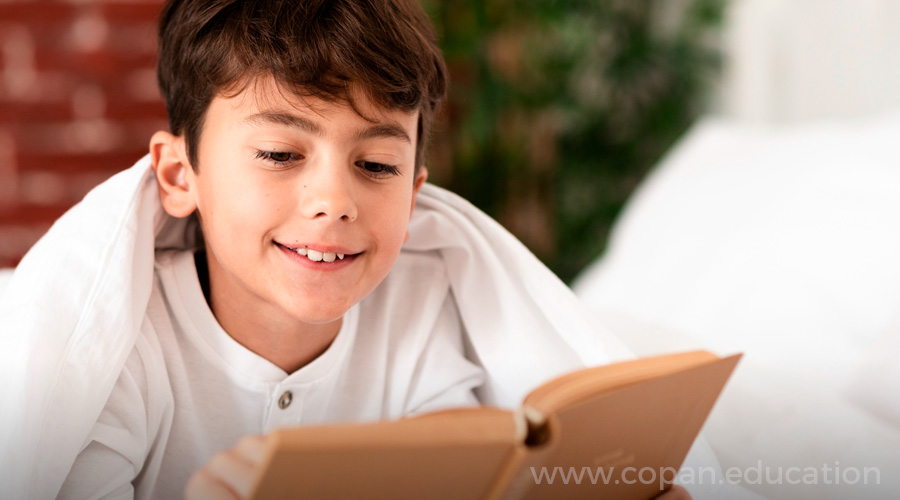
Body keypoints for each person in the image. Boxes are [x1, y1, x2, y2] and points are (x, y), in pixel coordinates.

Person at [0, 1, 715, 499]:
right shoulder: (125, 348)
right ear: (180, 176)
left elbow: (460, 460)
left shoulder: (418, 309)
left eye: (375, 166)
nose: (333, 201)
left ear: (413, 194)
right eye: (280, 152)